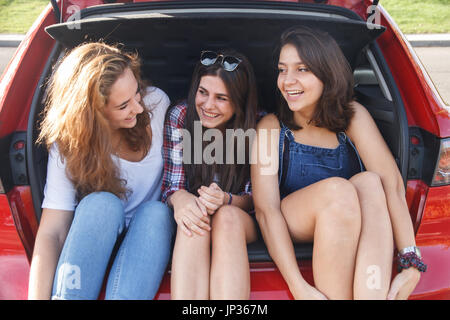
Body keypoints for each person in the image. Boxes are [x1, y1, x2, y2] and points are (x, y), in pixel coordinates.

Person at [251, 27, 426, 300]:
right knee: (339, 191)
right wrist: (298, 286)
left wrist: (411, 261)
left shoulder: (353, 117)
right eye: (282, 69)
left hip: (349, 217)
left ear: (326, 73)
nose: (287, 80)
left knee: (370, 182)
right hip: (294, 220)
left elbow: (392, 187)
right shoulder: (270, 127)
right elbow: (265, 211)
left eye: (302, 69)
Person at [28, 42, 175, 300]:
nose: (138, 108)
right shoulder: (68, 144)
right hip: (95, 237)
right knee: (101, 204)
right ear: (92, 113)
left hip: (149, 238)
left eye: (136, 93)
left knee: (157, 213)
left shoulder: (157, 103)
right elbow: (53, 231)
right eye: (123, 106)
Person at [162, 49, 259, 299]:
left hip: (241, 218)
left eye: (221, 98)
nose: (207, 105)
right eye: (203, 93)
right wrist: (181, 199)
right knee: (194, 217)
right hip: (197, 217)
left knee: (225, 217)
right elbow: (172, 185)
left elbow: (257, 200)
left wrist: (227, 199)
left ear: (239, 102)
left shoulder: (259, 126)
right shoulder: (181, 116)